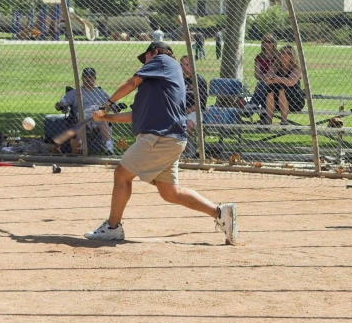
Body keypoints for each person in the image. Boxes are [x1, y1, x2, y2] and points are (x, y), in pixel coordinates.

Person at [84, 41, 238, 244]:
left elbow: (130, 83)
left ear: (154, 52)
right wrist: (106, 117)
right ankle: (220, 212)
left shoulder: (164, 61)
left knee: (122, 174)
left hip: (160, 137)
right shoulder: (157, 86)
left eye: (146, 58)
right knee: (170, 192)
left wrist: (107, 104)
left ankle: (113, 227)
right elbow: (136, 115)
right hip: (169, 138)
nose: (145, 63)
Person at [55, 67, 114, 154]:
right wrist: (60, 106)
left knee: (102, 120)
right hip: (82, 115)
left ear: (95, 78)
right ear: (82, 78)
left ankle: (109, 147)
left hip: (97, 115)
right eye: (86, 77)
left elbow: (112, 103)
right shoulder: (74, 93)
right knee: (81, 119)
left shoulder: (101, 92)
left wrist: (117, 106)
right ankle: (80, 145)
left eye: (91, 77)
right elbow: (60, 104)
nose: (88, 79)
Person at [263, 45, 305, 126]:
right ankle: (268, 121)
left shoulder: (296, 68)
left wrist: (275, 78)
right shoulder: (275, 66)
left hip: (295, 100)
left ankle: (284, 121)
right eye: (282, 52)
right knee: (271, 89)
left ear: (292, 56)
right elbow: (267, 80)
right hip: (276, 102)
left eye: (288, 53)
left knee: (281, 89)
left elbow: (291, 82)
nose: (285, 55)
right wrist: (282, 80)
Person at [180, 55, 208, 157]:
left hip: (195, 111)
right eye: (182, 65)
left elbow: (201, 103)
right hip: (179, 111)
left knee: (188, 125)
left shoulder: (198, 80)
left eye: (187, 64)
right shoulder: (178, 79)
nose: (184, 67)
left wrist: (186, 111)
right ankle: (183, 151)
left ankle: (186, 151)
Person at [248, 34, 277, 122]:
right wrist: (265, 77)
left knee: (262, 84)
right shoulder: (259, 57)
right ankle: (265, 121)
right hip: (264, 85)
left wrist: (263, 77)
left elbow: (272, 73)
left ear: (273, 43)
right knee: (263, 89)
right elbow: (257, 75)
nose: (266, 44)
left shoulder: (277, 56)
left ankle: (253, 105)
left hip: (275, 83)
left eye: (269, 42)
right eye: (264, 41)